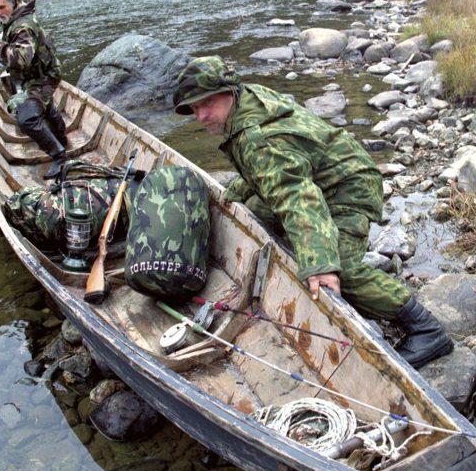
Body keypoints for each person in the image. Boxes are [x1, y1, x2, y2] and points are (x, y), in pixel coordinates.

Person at [172, 55, 454, 368]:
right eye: (194, 109)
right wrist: (235, 192)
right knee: (254, 210)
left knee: (338, 268)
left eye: (206, 104)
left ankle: (425, 328)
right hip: (321, 174)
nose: (201, 116)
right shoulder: (246, 100)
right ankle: (300, 254)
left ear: (229, 91)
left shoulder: (257, 139)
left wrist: (320, 263)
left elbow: (297, 197)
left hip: (347, 188)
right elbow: (276, 171)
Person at [0, 0, 67, 181]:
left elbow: (21, 59)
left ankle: (59, 155)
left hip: (43, 77)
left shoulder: (22, 26)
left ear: (14, 3)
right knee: (43, 105)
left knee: (27, 119)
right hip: (37, 74)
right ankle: (62, 138)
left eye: (2, 7)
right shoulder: (17, 19)